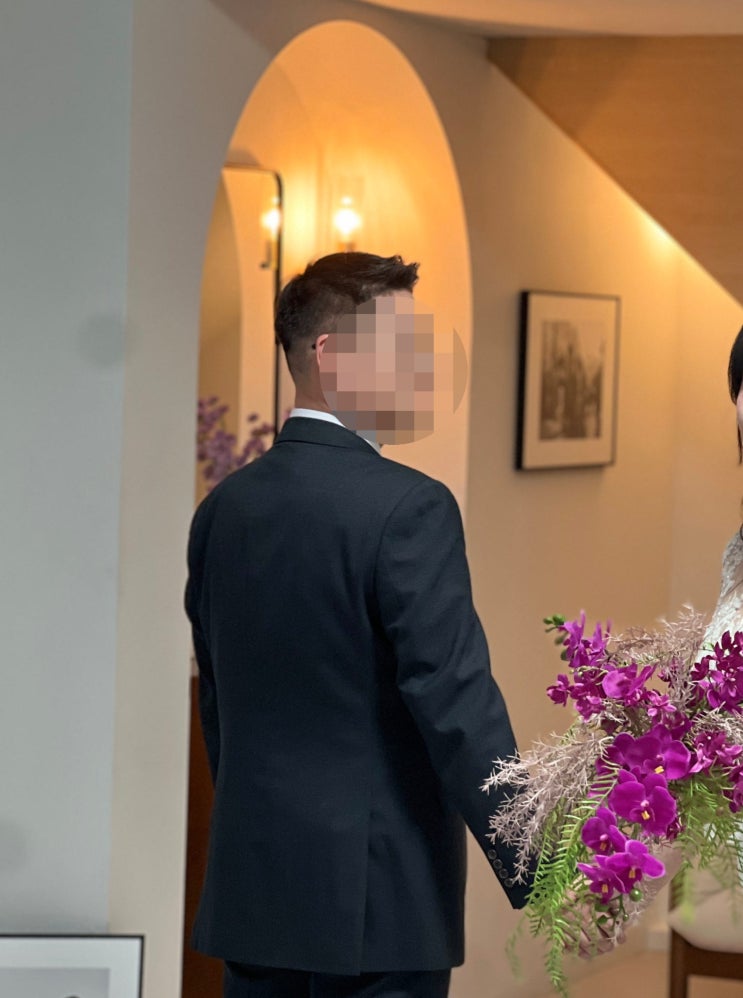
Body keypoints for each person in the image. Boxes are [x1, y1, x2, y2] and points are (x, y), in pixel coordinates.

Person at [185, 252, 532, 998]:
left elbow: (220, 705)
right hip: (379, 900)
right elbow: (455, 700)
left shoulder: (222, 510)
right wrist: (538, 856)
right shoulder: (411, 506)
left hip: (256, 893)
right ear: (330, 354)